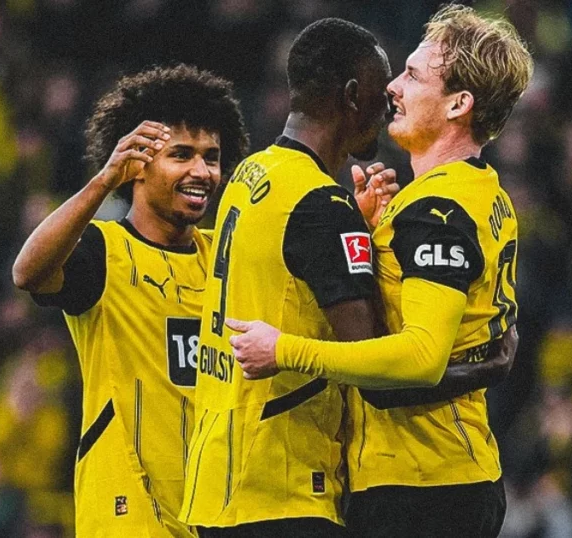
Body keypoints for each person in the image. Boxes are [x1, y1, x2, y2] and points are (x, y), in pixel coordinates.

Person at [227, 5, 533, 536]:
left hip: (421, 485)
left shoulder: (436, 211)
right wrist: (370, 235)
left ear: (459, 104)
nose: (392, 86)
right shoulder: (481, 193)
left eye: (413, 75)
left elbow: (420, 356)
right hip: (446, 477)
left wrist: (284, 350)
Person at [178, 18, 396, 537]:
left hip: (216, 483)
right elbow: (369, 363)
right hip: (283, 492)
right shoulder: (321, 207)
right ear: (350, 95)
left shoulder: (251, 175)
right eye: (378, 93)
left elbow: (283, 276)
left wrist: (353, 231)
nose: (386, 109)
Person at [12, 64, 249, 537]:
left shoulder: (227, 261)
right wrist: (102, 182)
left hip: (215, 513)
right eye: (181, 155)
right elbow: (27, 272)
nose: (201, 171)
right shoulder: (103, 252)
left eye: (212, 157)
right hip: (127, 516)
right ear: (138, 165)